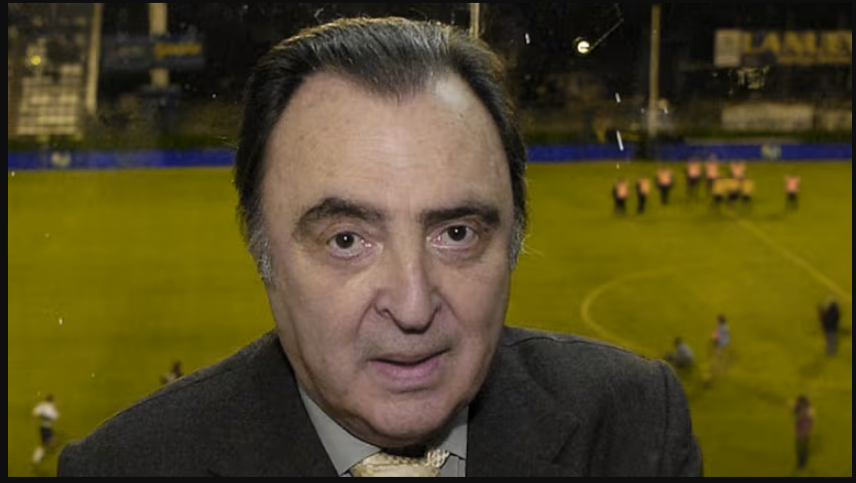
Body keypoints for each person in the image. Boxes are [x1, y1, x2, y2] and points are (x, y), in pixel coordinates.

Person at [57, 17, 702, 477]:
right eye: (347, 240)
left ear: (514, 242)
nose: (414, 306)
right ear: (263, 254)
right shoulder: (125, 468)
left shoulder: (634, 429)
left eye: (456, 234)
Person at [32, 394, 59, 465]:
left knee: (53, 438)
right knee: (43, 444)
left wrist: (42, 415)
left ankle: (55, 449)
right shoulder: (50, 407)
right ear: (51, 400)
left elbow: (35, 412)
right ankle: (36, 459)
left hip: (42, 427)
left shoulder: (42, 405)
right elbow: (55, 416)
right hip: (47, 428)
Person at [793, 395, 816, 470]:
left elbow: (811, 420)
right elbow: (795, 419)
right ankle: (800, 462)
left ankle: (803, 462)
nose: (798, 403)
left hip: (806, 430)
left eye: (800, 402)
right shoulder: (798, 409)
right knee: (798, 446)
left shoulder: (809, 410)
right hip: (799, 431)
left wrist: (810, 430)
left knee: (804, 447)